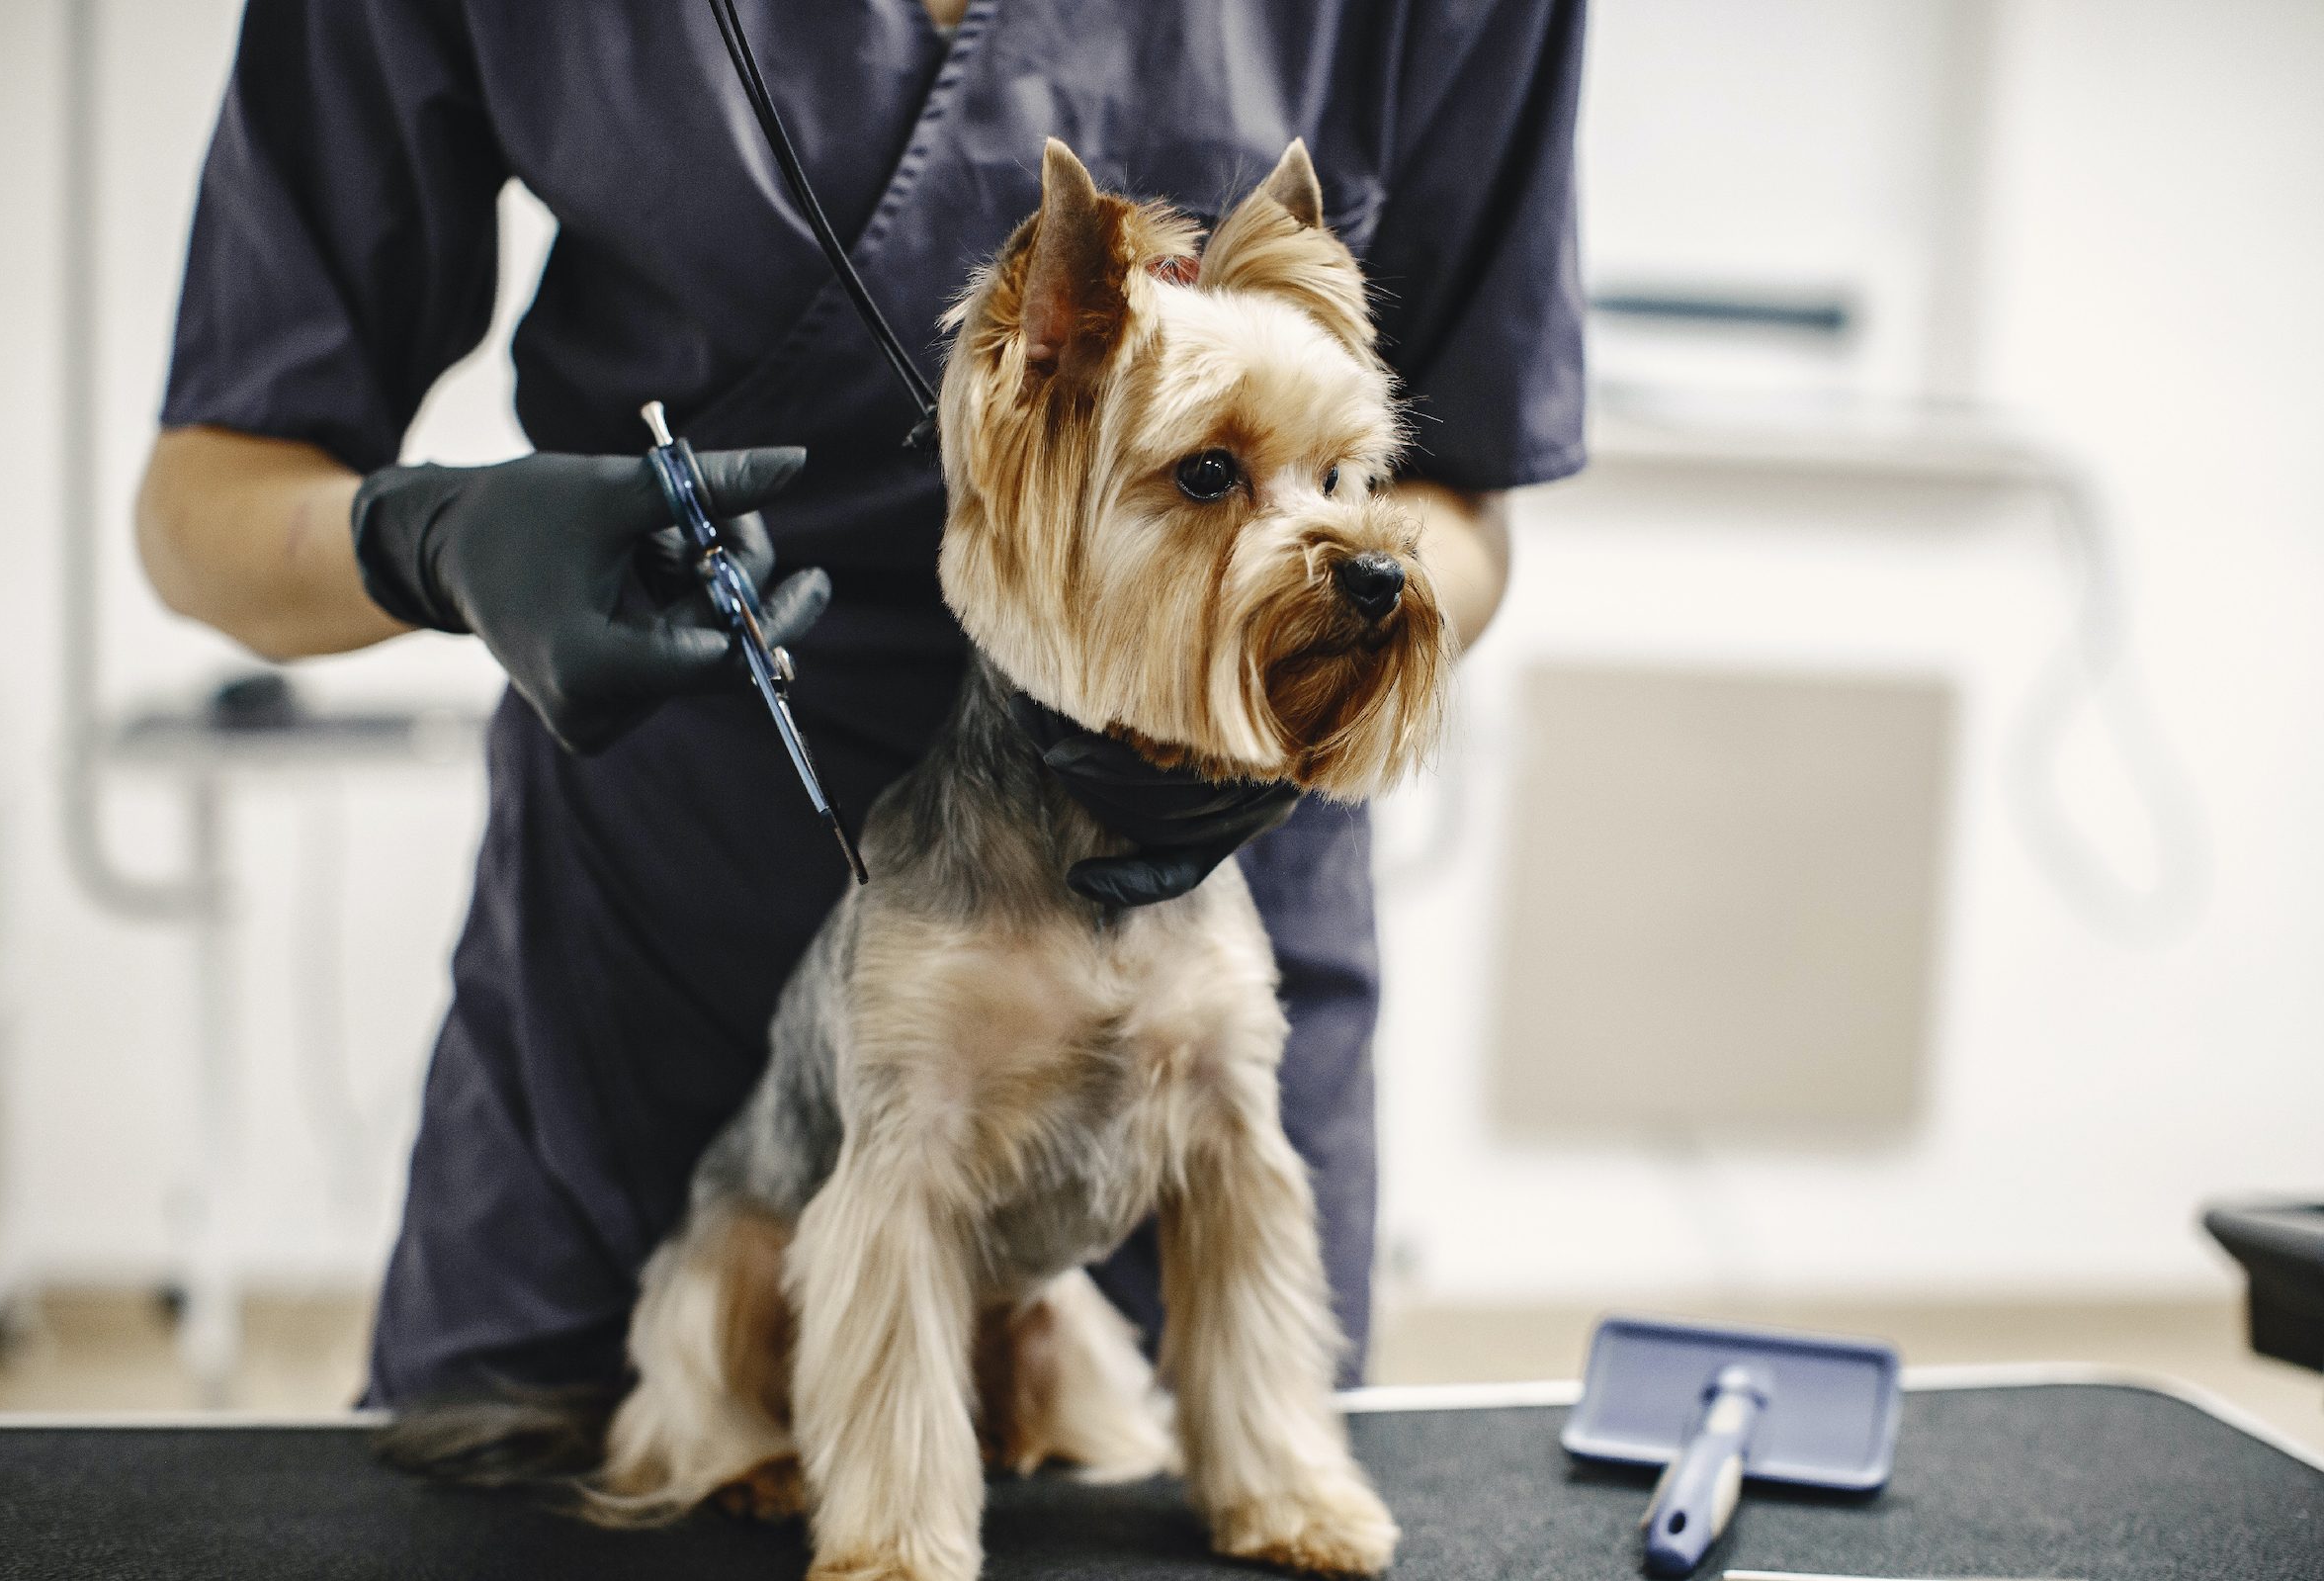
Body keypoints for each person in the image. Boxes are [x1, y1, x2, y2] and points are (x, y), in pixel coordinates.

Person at [138, 0, 1587, 1404]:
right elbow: (198, 503)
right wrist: (430, 540)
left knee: (1245, 1487)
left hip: (1196, 890)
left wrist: (1266, 682)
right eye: (1215, 473)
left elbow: (1455, 511)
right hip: (656, 921)